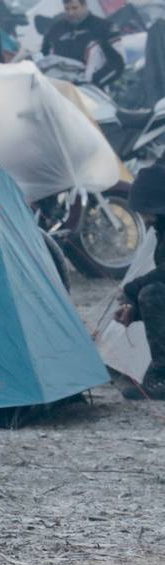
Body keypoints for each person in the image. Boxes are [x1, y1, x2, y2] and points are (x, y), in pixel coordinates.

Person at [114, 163, 165, 399]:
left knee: (151, 294)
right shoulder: (161, 229)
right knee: (150, 295)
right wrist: (132, 305)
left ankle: (161, 376)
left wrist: (133, 290)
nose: (143, 217)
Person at [40, 0, 125, 87]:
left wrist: (95, 82)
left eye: (75, 8)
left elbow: (118, 64)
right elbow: (43, 57)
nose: (71, 13)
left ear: (85, 5)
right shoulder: (56, 29)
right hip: (58, 90)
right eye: (67, 9)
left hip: (91, 90)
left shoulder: (104, 28)